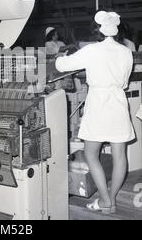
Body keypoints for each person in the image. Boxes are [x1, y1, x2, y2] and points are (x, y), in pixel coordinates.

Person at [55, 11, 135, 214]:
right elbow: (124, 83)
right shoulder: (126, 52)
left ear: (97, 30)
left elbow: (63, 65)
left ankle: (106, 200)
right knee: (120, 155)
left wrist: (59, 56)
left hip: (99, 103)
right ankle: (112, 199)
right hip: (118, 102)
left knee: (91, 154)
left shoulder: (91, 50)